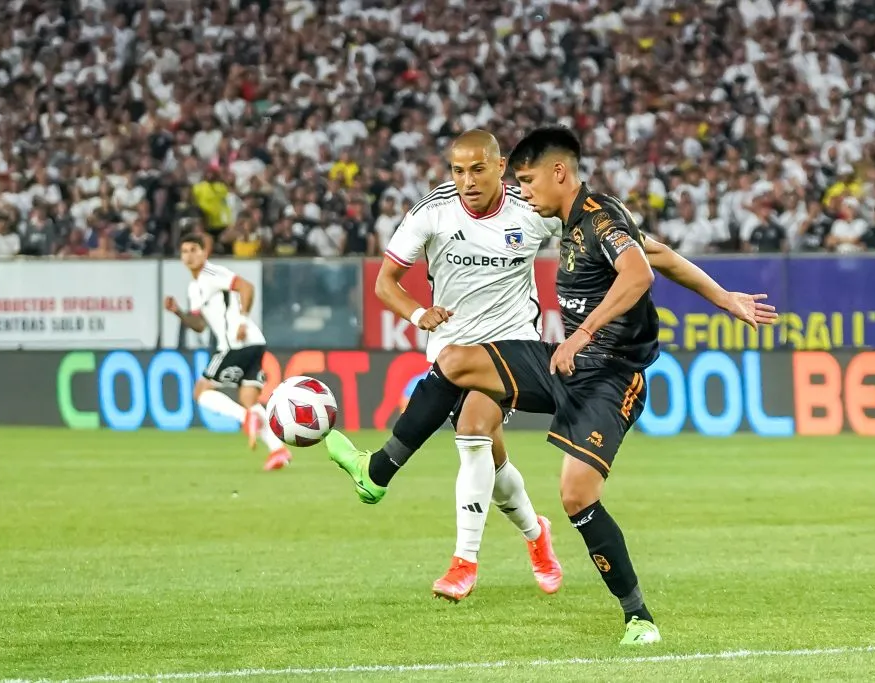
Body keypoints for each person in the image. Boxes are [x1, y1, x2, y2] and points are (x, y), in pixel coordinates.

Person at [326, 128, 778, 643]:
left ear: (557, 173)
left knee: (576, 497)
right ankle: (378, 471)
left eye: (527, 179)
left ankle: (638, 617)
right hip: (563, 361)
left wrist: (581, 334)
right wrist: (724, 297)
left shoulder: (602, 217)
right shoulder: (560, 221)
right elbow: (666, 256)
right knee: (454, 361)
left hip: (610, 375)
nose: (524, 190)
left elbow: (640, 274)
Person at [329, 130, 564, 602]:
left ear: (501, 168)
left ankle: (463, 562)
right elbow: (385, 282)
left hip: (510, 347)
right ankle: (536, 535)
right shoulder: (433, 210)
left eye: (478, 169)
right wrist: (419, 314)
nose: (467, 180)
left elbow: (593, 237)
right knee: (492, 463)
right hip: (450, 348)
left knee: (473, 432)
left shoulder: (533, 211)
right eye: (458, 170)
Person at [163, 234, 290, 470]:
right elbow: (200, 325)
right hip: (254, 342)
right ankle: (278, 450)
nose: (189, 255)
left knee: (201, 391)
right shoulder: (194, 287)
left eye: (193, 250)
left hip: (235, 342)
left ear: (204, 252)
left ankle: (245, 419)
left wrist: (242, 319)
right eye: (184, 251)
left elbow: (246, 286)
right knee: (248, 398)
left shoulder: (211, 273)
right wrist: (178, 312)